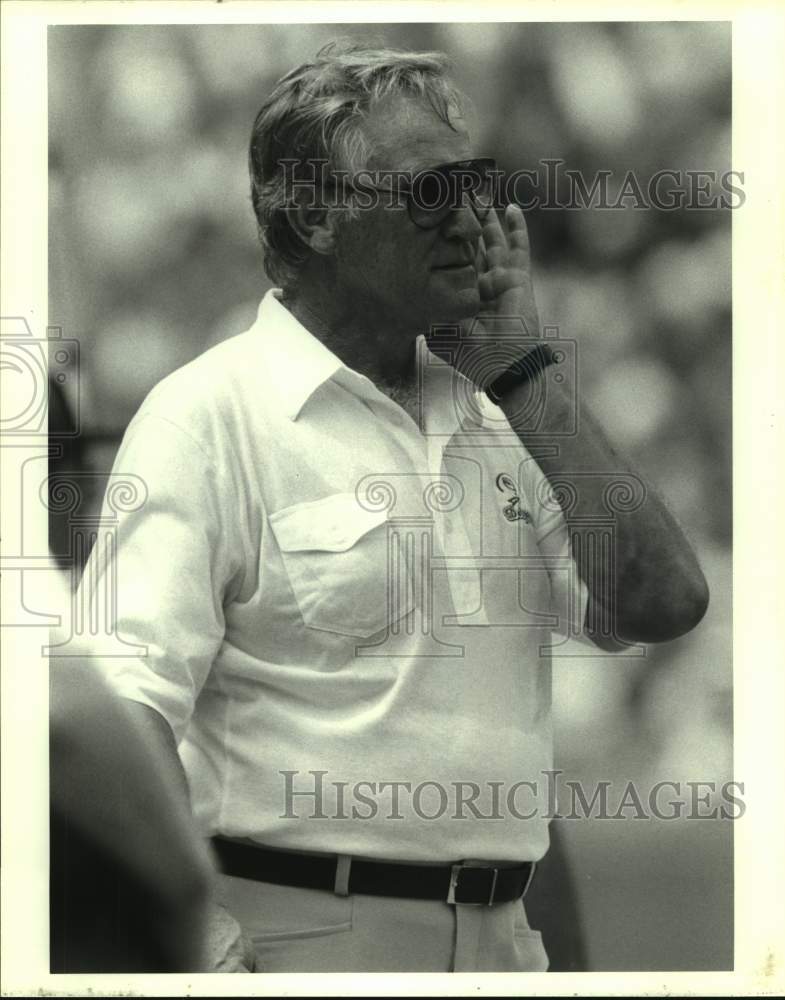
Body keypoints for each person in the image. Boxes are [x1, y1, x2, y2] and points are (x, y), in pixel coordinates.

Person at [78, 44, 709, 973]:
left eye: (477, 183)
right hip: (300, 937)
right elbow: (122, 716)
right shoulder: (210, 414)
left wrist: (528, 374)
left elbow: (664, 603)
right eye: (427, 192)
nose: (470, 219)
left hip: (505, 938)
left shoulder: (503, 401)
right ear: (312, 213)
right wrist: (199, 941)